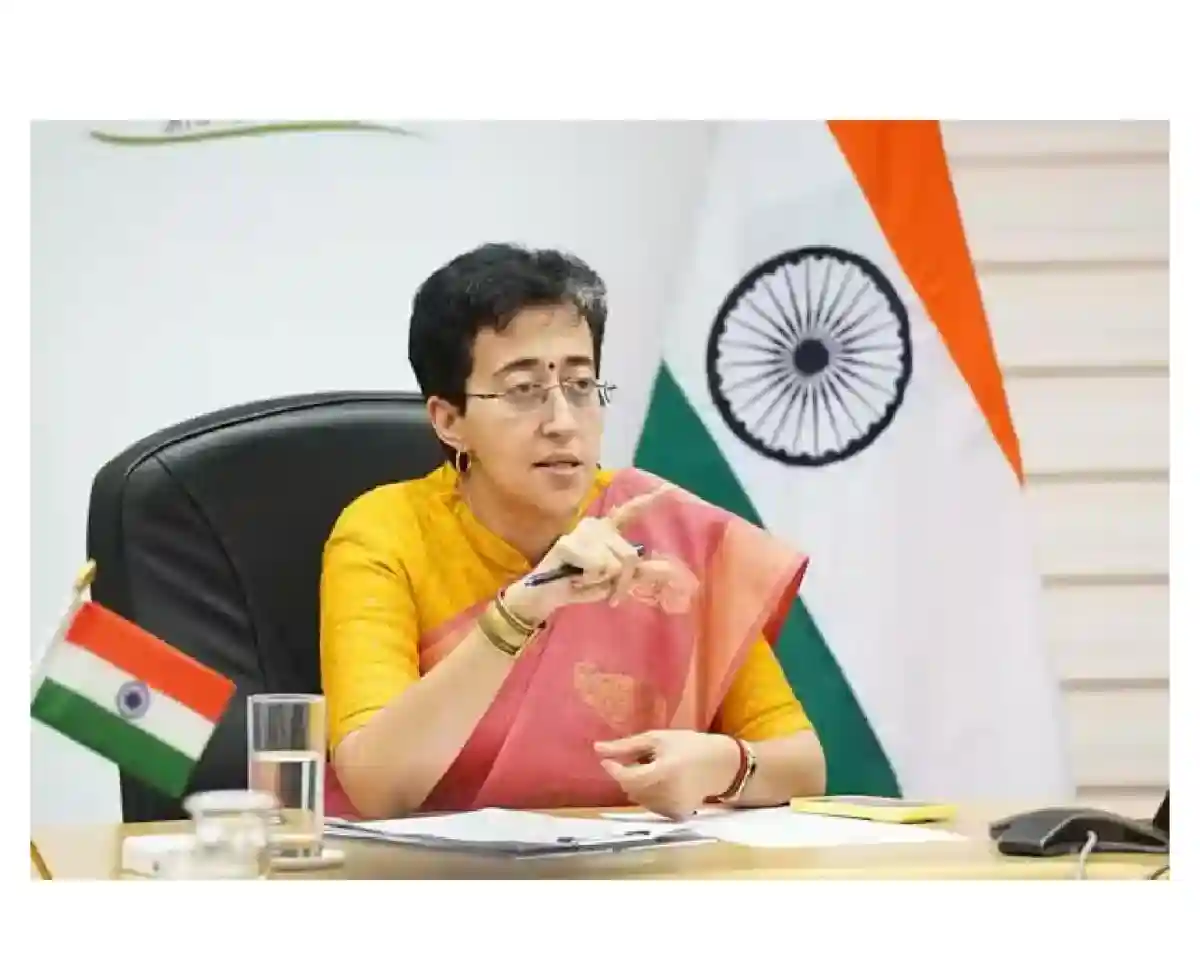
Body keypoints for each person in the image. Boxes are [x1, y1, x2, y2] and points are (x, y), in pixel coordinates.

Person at [319, 242, 826, 821]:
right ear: (450, 421)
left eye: (581, 386)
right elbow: (379, 787)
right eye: (523, 391)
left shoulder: (663, 525)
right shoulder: (384, 533)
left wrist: (723, 763)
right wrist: (521, 611)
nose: (562, 423)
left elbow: (802, 762)